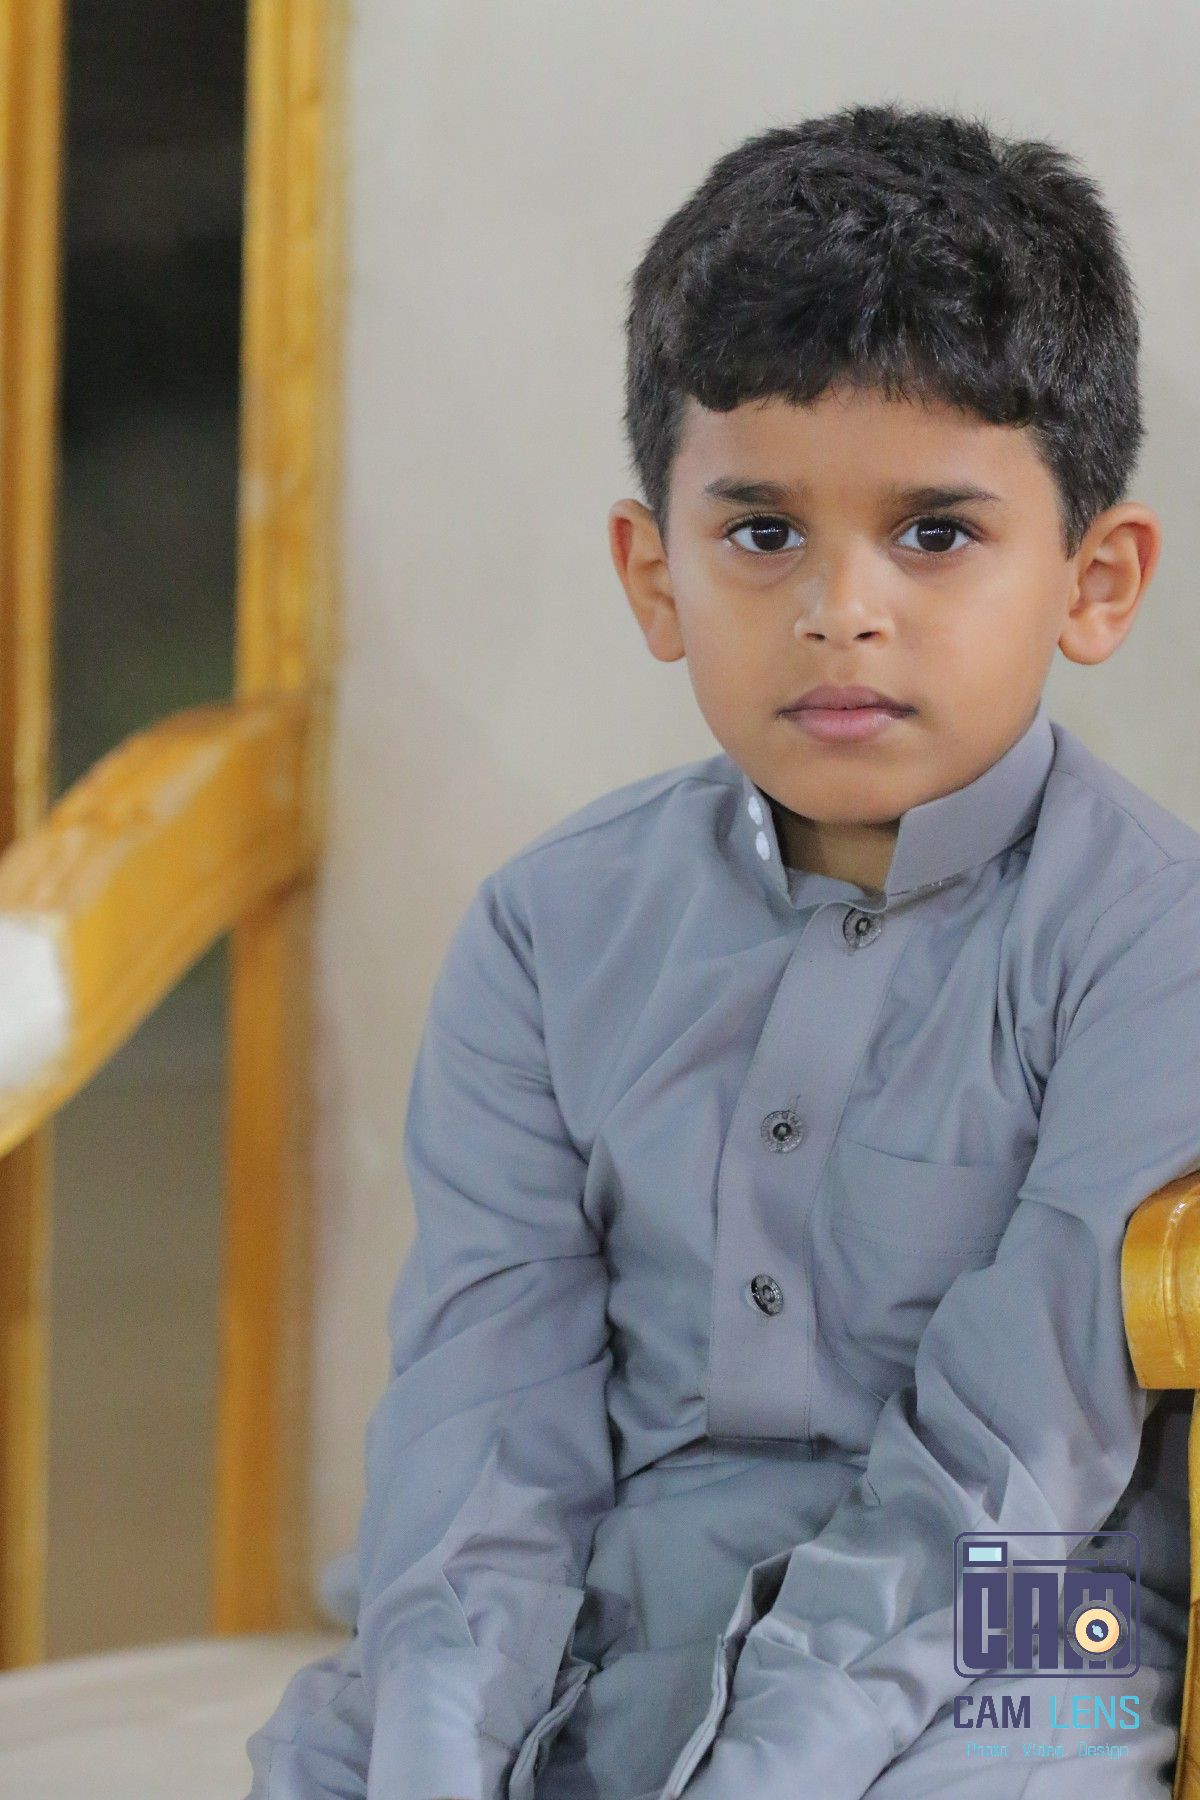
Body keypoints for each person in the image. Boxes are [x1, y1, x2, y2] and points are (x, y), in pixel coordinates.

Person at [243, 100, 1198, 1800]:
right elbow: (485, 1411)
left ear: (1096, 579)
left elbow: (1021, 1447)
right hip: (629, 1595)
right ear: (655, 572)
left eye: (936, 532)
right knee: (348, 1748)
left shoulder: (1157, 943)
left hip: (1022, 1610)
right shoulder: (547, 931)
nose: (843, 609)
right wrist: (447, 1734)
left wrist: (762, 1765)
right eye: (762, 534)